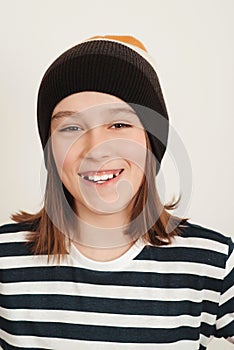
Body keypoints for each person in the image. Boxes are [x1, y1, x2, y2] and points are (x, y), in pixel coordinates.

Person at [0, 35, 233, 350]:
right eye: (71, 128)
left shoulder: (213, 263)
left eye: (119, 125)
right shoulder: (4, 259)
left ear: (151, 142)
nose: (96, 150)